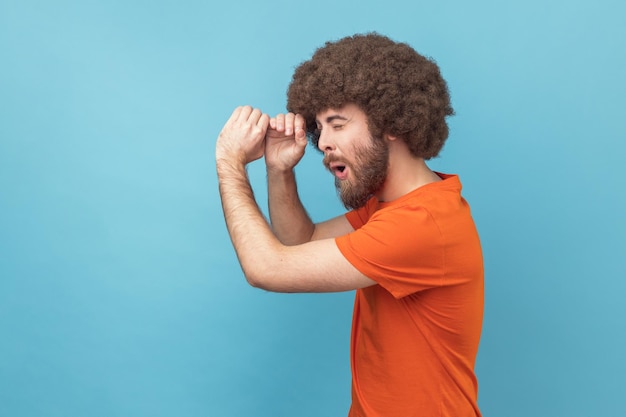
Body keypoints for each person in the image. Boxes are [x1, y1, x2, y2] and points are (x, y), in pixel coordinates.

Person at [215, 33, 483, 417]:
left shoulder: (423, 224)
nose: (322, 142)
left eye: (337, 125)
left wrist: (229, 164)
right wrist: (278, 170)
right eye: (319, 128)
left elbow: (267, 268)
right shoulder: (390, 208)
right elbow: (299, 242)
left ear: (390, 123)